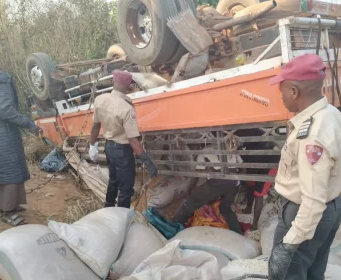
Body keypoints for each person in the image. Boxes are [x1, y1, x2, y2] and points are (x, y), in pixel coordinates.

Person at [267, 54, 341, 280]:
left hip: (305, 215)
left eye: (281, 90)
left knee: (287, 274)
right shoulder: (331, 114)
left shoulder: (311, 135)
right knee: (314, 273)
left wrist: (290, 243)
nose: (281, 96)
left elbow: (312, 199)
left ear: (294, 91)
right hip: (331, 209)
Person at [0, 42, 42, 226]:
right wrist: (29, 124)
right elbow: (5, 110)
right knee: (10, 172)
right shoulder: (0, 79)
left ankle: (2, 205)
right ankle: (8, 212)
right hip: (1, 135)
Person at [89, 70, 157, 208]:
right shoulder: (126, 108)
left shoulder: (100, 99)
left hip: (108, 148)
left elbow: (95, 126)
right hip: (122, 151)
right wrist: (147, 160)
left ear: (112, 82)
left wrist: (92, 146)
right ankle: (121, 216)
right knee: (126, 188)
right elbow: (133, 140)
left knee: (113, 180)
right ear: (129, 86)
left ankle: (108, 207)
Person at [172, 144, 244, 234]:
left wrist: (189, 189)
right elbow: (243, 169)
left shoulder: (203, 151)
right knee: (226, 207)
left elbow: (197, 175)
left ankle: (173, 225)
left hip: (218, 181)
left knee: (194, 199)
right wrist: (237, 181)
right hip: (234, 184)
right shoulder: (228, 147)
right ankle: (237, 233)